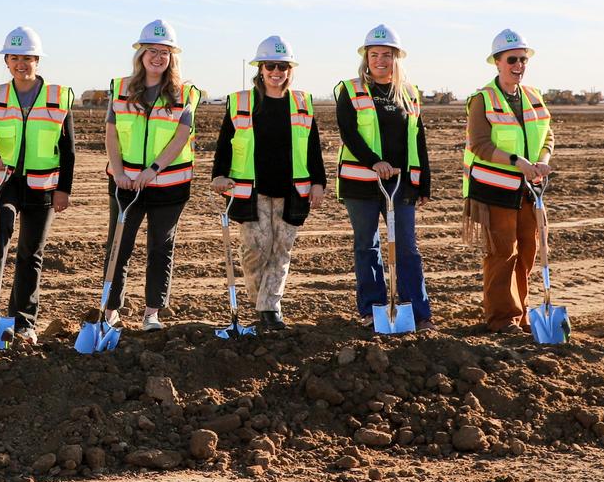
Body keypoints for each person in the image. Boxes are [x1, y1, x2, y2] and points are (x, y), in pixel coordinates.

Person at [210, 35, 326, 331]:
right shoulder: (241, 102)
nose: (276, 71)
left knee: (281, 250)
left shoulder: (302, 103)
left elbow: (312, 147)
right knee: (254, 250)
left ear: (290, 70)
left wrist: (318, 182)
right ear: (260, 68)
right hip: (251, 190)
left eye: (282, 66)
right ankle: (261, 302)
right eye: (270, 65)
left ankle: (270, 308)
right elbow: (225, 143)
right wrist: (219, 175)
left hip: (292, 190)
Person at [0, 26, 75, 344]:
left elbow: (68, 148)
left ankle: (24, 320)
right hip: (4, 182)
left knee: (32, 252)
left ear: (37, 60)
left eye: (27, 58)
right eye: (14, 57)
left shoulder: (59, 96)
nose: (20, 64)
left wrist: (64, 189)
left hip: (44, 186)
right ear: (6, 61)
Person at [100, 19, 202, 332]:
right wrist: (118, 172)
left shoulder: (185, 94)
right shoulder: (121, 88)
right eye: (152, 51)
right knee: (119, 247)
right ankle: (110, 311)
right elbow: (112, 134)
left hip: (168, 186)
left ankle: (152, 313)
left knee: (161, 247)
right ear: (141, 54)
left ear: (173, 57)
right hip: (124, 185)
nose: (157, 57)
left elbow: (180, 137)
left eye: (164, 52)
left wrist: (152, 171)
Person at [334, 24, 433, 329]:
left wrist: (423, 181)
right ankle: (372, 309)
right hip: (360, 183)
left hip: (400, 182)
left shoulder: (409, 93)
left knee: (406, 246)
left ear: (396, 58)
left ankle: (417, 311)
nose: (380, 60)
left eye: (387, 55)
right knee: (367, 245)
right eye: (374, 54)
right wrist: (375, 162)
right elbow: (349, 134)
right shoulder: (349, 90)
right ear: (366, 57)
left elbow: (418, 138)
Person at [461, 29, 554, 331]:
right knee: (503, 254)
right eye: (512, 59)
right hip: (495, 190)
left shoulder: (533, 97)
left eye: (523, 60)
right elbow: (480, 144)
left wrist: (542, 161)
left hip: (529, 190)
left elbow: (547, 134)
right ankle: (502, 318)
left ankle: (522, 314)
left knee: (527, 251)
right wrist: (518, 163)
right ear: (497, 62)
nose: (519, 65)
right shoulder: (482, 99)